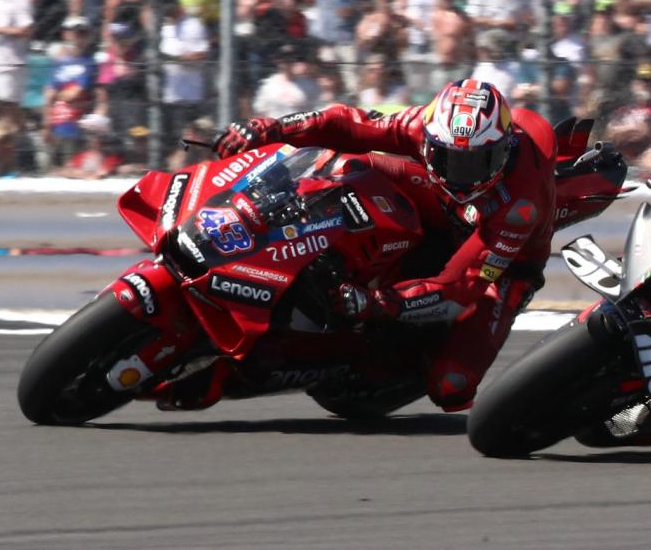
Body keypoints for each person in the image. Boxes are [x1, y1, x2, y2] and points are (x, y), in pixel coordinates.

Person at [211, 79, 557, 412]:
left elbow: (460, 286)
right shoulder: (421, 124)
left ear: (504, 148)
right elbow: (348, 124)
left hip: (502, 266)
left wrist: (376, 303)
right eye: (447, 158)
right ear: (431, 138)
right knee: (350, 165)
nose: (460, 175)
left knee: (452, 387)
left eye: (476, 162)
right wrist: (269, 128)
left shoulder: (520, 203)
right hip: (443, 209)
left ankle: (418, 349)